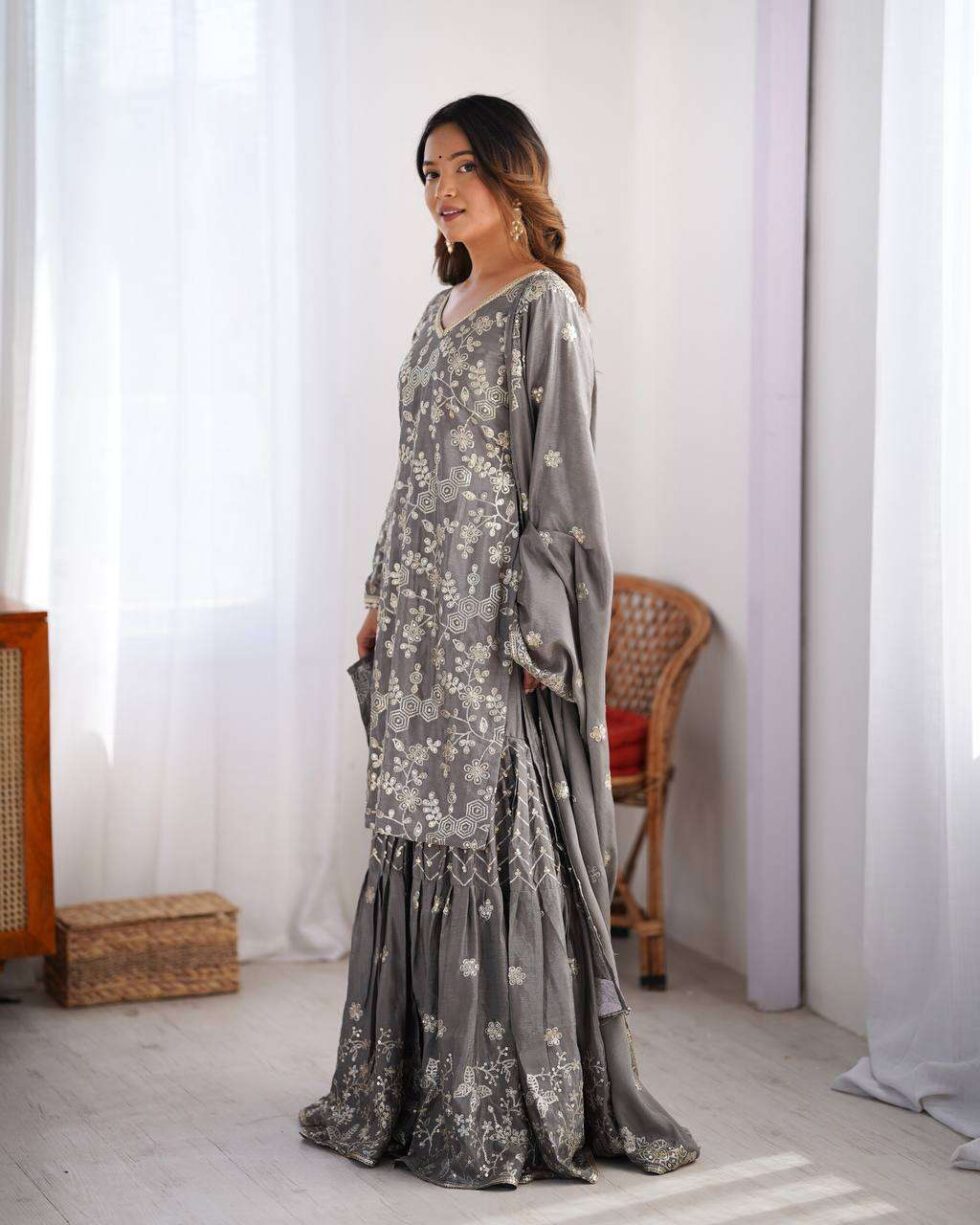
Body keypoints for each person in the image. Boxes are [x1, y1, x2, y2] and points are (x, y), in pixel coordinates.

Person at [298, 94, 700, 1189]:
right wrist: (381, 587)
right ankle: (410, 1086)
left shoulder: (544, 307)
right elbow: (414, 465)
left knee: (486, 830)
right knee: (414, 828)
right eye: (429, 171)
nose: (441, 188)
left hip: (490, 625)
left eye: (462, 165)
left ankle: (497, 1099)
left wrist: (536, 625)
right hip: (419, 619)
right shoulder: (439, 311)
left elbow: (562, 485)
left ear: (512, 172)